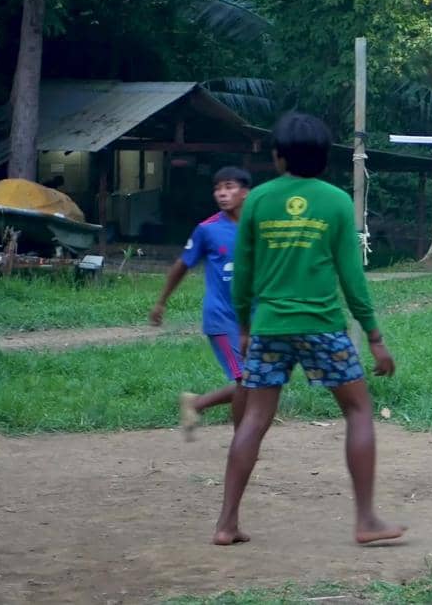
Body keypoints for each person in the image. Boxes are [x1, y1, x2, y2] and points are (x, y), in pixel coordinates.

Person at [213, 112, 403, 546]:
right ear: (324, 158)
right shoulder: (336, 201)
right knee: (357, 410)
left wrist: (244, 325)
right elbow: (352, 279)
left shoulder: (257, 201)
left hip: (269, 327)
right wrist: (375, 337)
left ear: (278, 157)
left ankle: (226, 524)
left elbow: (243, 273)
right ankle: (366, 520)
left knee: (255, 418)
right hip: (322, 327)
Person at [149, 166, 252, 438]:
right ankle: (243, 443)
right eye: (217, 188)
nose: (221, 193)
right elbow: (182, 266)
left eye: (229, 186)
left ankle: (196, 403)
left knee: (256, 381)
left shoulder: (260, 227)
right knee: (244, 378)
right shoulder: (207, 230)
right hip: (221, 318)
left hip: (254, 319)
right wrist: (161, 302)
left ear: (245, 192)